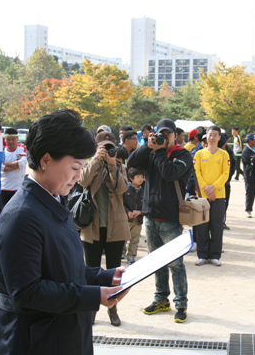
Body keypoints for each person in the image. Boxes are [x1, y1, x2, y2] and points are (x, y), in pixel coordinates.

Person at [0, 109, 129, 355]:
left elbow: (61, 267)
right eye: (75, 167)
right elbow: (27, 290)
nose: (79, 177)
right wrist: (94, 296)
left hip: (63, 339)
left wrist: (103, 277)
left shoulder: (53, 200)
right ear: (45, 160)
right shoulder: (22, 215)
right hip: (35, 351)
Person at [127, 118, 192, 323]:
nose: (164, 138)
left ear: (175, 135)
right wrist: (148, 146)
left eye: (168, 134)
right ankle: (161, 300)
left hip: (170, 217)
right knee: (156, 263)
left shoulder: (183, 155)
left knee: (176, 264)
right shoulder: (152, 152)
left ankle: (181, 304)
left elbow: (169, 174)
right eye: (160, 134)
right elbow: (132, 164)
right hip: (151, 215)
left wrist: (160, 151)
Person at [78, 131, 130, 327]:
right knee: (91, 271)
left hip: (114, 227)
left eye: (110, 147)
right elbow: (82, 181)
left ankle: (113, 309)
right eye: (103, 147)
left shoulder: (120, 166)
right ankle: (91, 310)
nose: (107, 150)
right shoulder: (89, 163)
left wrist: (111, 164)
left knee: (113, 272)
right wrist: (95, 160)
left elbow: (121, 189)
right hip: (92, 226)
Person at [194, 126, 230, 266]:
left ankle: (215, 255)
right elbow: (197, 173)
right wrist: (206, 189)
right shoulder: (199, 154)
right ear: (206, 137)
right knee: (202, 226)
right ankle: (202, 254)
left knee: (216, 225)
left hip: (219, 195)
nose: (212, 137)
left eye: (215, 135)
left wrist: (213, 187)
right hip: (203, 196)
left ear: (219, 137)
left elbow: (225, 174)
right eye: (210, 135)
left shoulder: (224, 155)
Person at [123, 167, 145, 265]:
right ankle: (122, 252)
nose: (140, 179)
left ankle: (131, 256)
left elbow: (147, 205)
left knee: (135, 239)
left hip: (138, 220)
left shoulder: (144, 191)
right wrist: (127, 212)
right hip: (126, 219)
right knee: (123, 237)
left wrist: (140, 211)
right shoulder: (125, 189)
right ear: (131, 178)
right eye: (138, 177)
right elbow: (121, 203)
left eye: (142, 177)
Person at [0, 128, 27, 206]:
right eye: (8, 139)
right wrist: (16, 165)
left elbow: (22, 163)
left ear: (17, 139)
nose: (11, 141)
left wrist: (6, 163)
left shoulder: (22, 148)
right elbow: (2, 168)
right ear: (5, 140)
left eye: (13, 139)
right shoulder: (2, 151)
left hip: (18, 188)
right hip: (4, 187)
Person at [242, 134, 255, 218]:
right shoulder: (246, 151)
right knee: (250, 193)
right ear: (250, 141)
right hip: (249, 176)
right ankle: (248, 210)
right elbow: (253, 162)